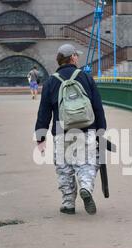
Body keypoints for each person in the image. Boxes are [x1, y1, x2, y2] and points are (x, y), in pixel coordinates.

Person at [34, 44, 107, 215]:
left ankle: (68, 203)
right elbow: (97, 106)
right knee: (88, 161)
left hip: (61, 129)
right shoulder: (85, 77)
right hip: (86, 127)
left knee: (64, 167)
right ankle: (86, 187)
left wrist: (40, 136)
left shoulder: (51, 81)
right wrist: (101, 130)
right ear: (72, 58)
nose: (78, 58)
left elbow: (44, 111)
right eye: (76, 55)